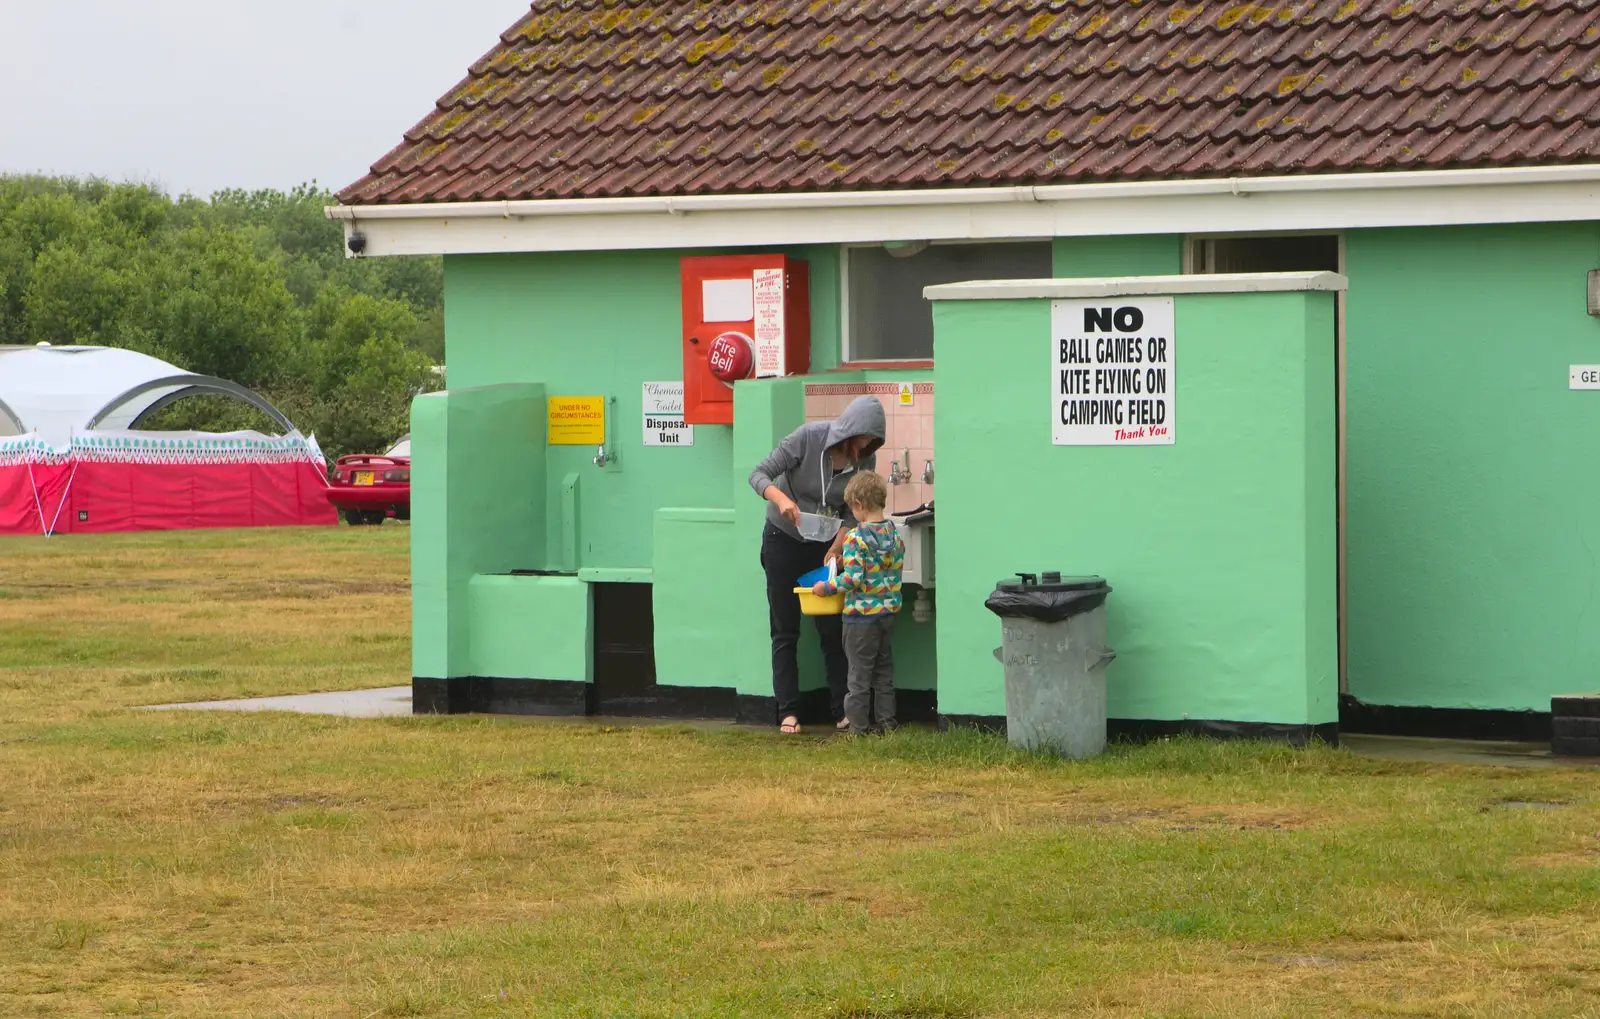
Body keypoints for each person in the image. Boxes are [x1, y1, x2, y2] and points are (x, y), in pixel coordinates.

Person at [749, 395, 885, 734]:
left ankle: (842, 709)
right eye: (864, 438)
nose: (865, 447)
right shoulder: (808, 438)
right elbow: (759, 474)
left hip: (823, 545)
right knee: (784, 628)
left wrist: (837, 547)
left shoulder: (864, 463)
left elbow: (855, 513)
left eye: (871, 442)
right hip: (783, 539)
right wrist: (782, 500)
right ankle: (788, 712)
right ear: (851, 430)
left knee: (833, 629)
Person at [812, 470, 904, 735]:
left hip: (860, 619)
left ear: (859, 504)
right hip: (887, 615)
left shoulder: (855, 538)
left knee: (859, 676)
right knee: (883, 672)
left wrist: (825, 588)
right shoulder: (893, 535)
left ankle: (858, 728)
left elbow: (853, 579)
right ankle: (887, 723)